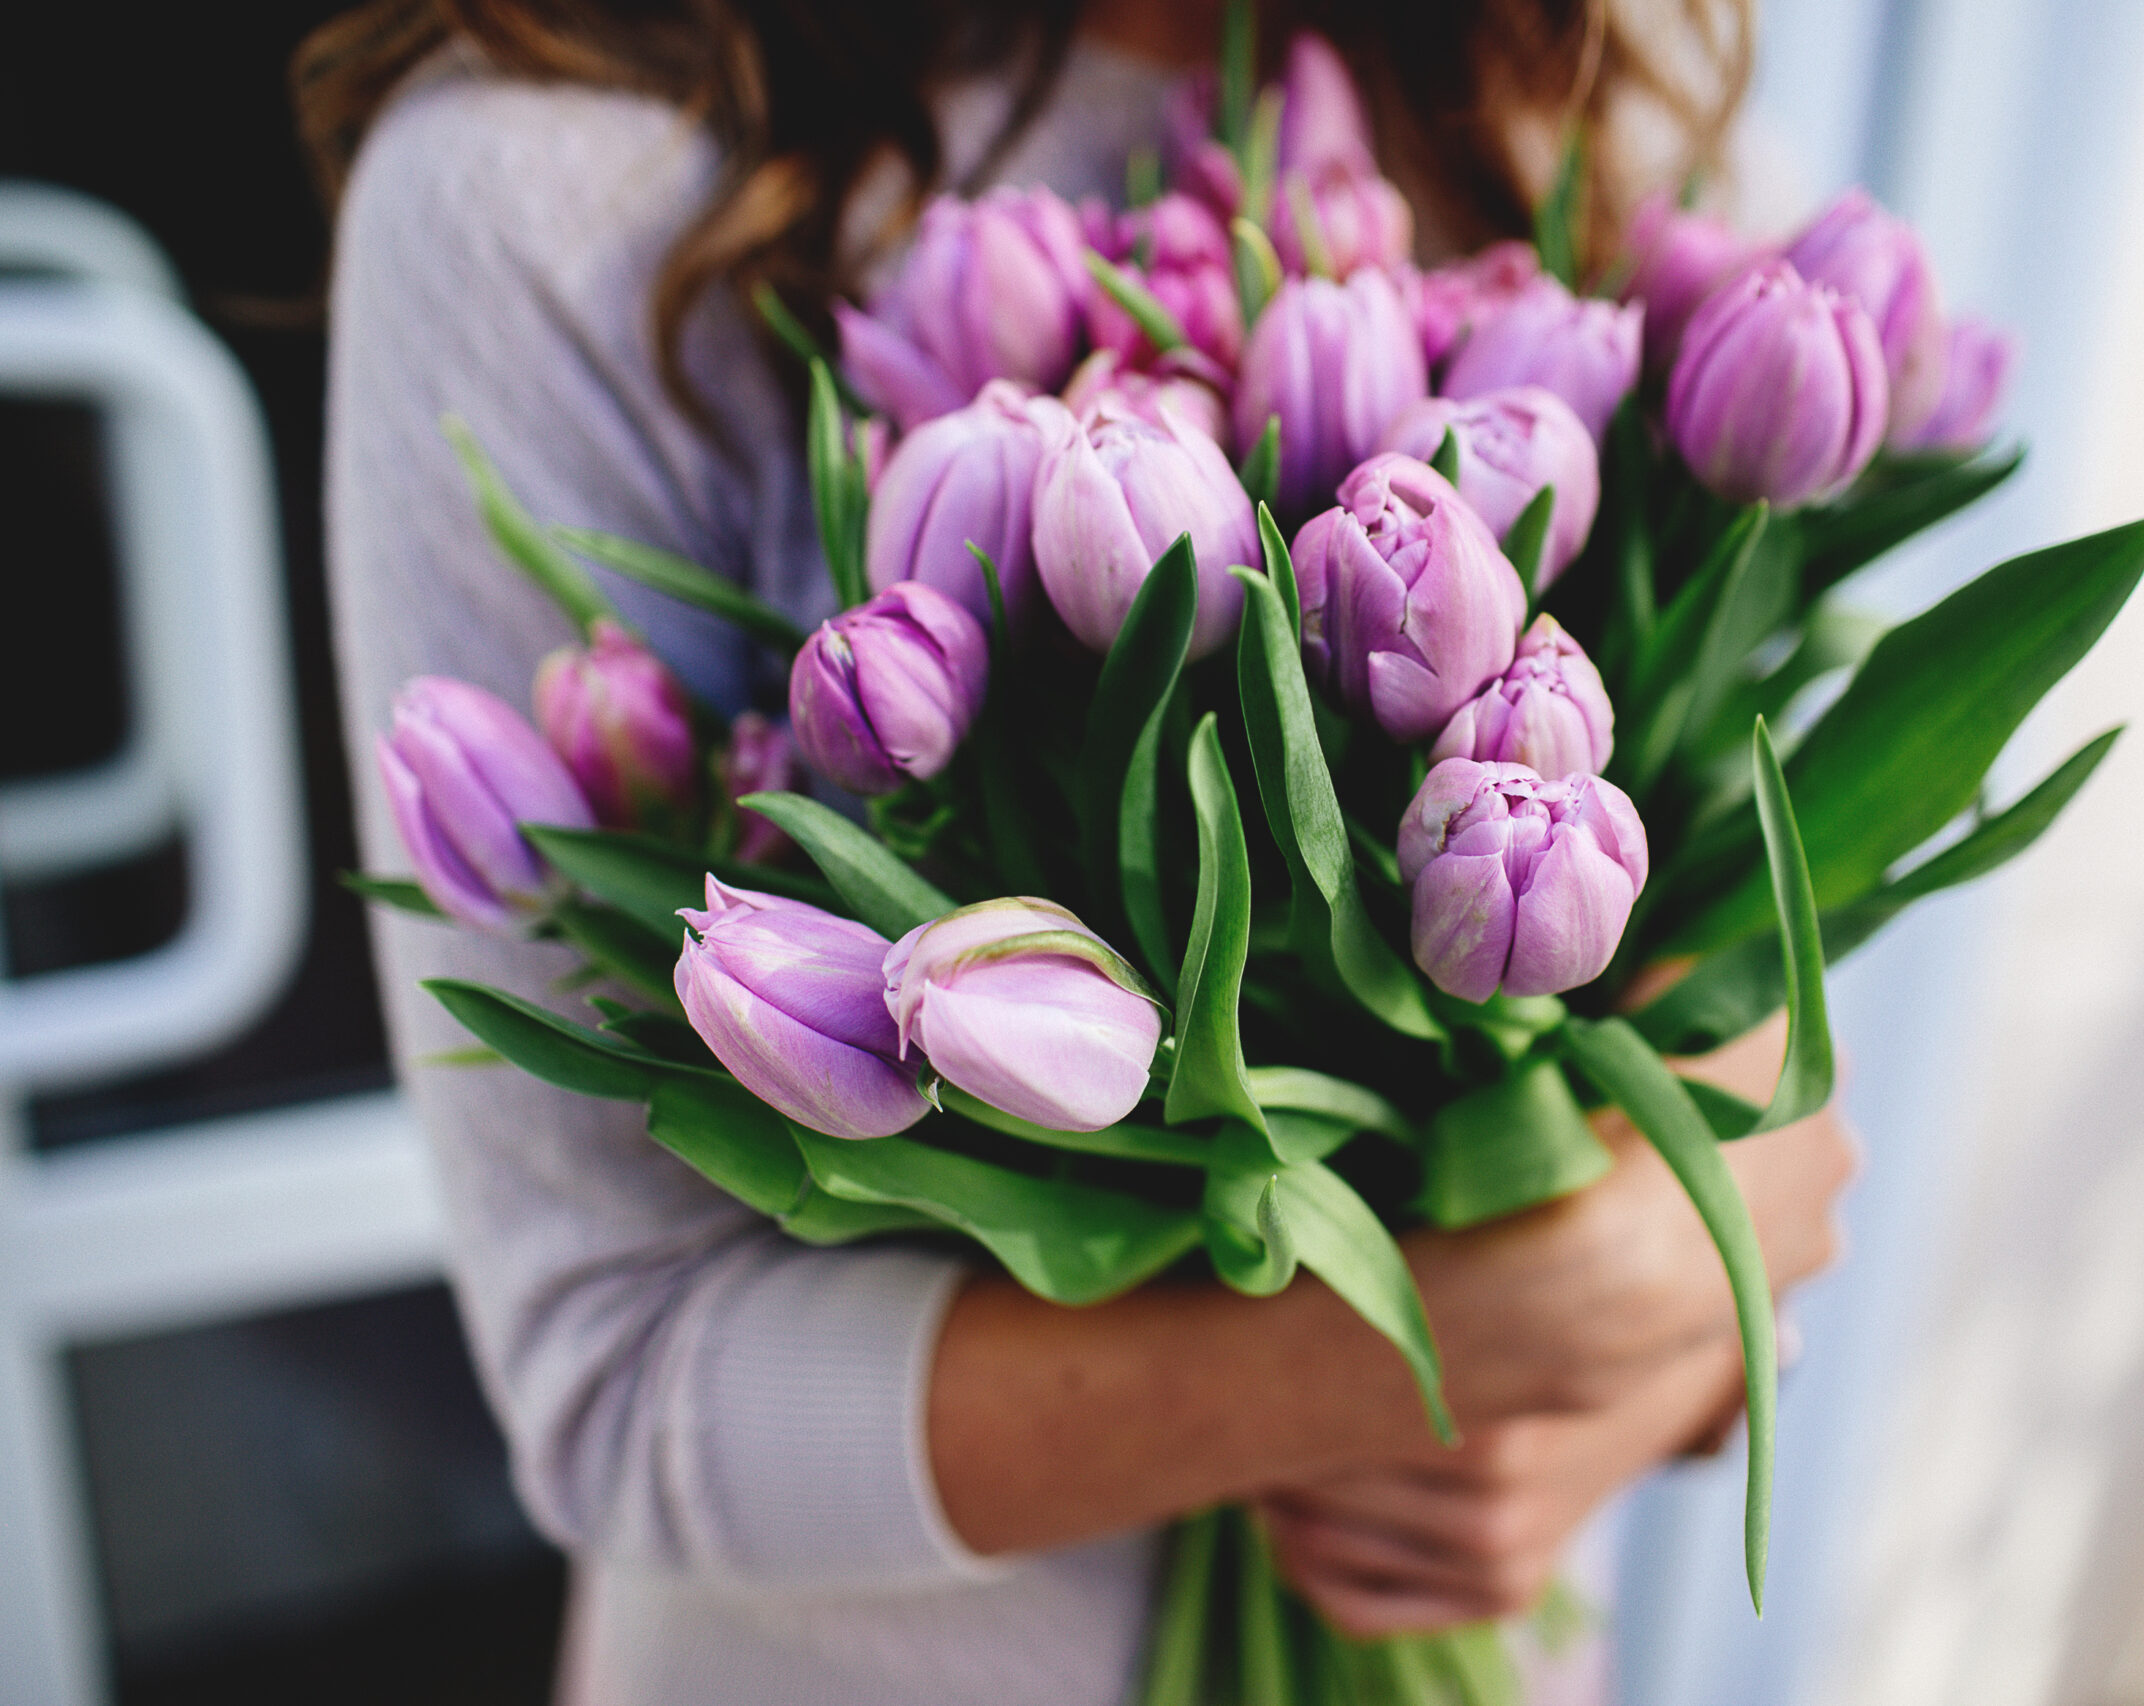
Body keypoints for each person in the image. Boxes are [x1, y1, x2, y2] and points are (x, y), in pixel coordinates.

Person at [297, 0, 1855, 1699]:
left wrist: (1679, 1334)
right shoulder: (545, 185)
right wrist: (1436, 1347)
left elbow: (1723, 1005)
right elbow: (622, 1375)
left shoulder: (1563, 104)